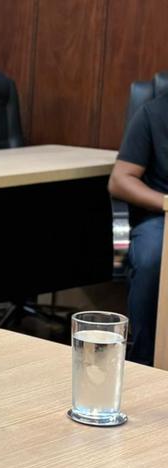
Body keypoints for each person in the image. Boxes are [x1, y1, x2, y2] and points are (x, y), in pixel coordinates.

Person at [108, 92, 168, 366]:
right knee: (152, 257)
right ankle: (144, 359)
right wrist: (166, 203)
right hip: (162, 215)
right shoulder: (153, 114)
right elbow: (120, 180)